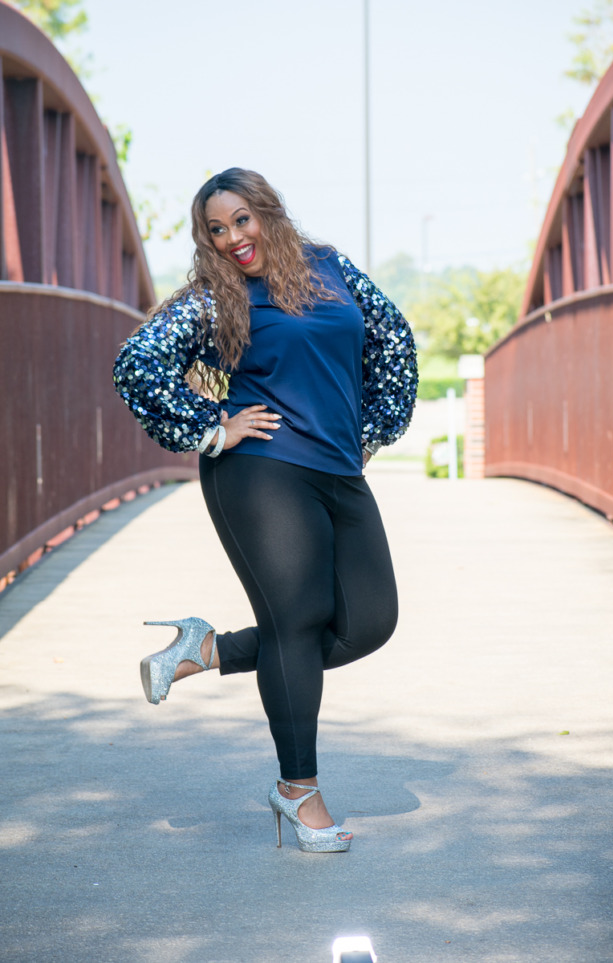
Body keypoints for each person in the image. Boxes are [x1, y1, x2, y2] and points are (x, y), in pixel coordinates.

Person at [113, 168, 417, 853]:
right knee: (298, 621)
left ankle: (207, 649)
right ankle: (298, 789)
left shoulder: (331, 267)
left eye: (241, 219)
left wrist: (371, 431)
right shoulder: (215, 297)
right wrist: (211, 429)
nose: (232, 238)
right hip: (260, 470)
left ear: (268, 212)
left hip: (339, 468)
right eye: (216, 229)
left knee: (371, 622)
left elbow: (393, 339)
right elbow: (138, 363)